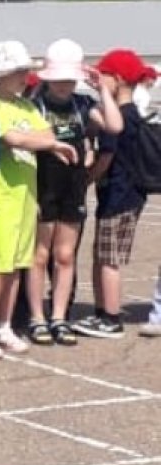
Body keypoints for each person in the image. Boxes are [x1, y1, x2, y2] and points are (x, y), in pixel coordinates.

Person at [0, 41, 78, 357]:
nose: (24, 77)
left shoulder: (27, 107)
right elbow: (12, 138)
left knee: (17, 266)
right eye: (17, 71)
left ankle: (3, 324)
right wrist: (41, 142)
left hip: (26, 196)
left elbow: (48, 136)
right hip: (1, 195)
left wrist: (41, 142)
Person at [25, 39, 123, 345]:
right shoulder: (35, 104)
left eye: (69, 79)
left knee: (65, 255)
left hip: (73, 187)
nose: (64, 85)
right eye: (58, 79)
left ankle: (59, 317)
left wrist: (101, 90)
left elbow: (115, 125)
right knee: (40, 255)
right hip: (43, 185)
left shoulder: (82, 105)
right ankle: (36, 317)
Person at [74, 48, 157, 339]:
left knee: (108, 259)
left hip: (119, 195)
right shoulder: (132, 112)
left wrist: (87, 177)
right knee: (102, 255)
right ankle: (101, 312)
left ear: (118, 79)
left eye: (104, 75)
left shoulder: (120, 116)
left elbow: (107, 156)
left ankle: (110, 317)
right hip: (126, 194)